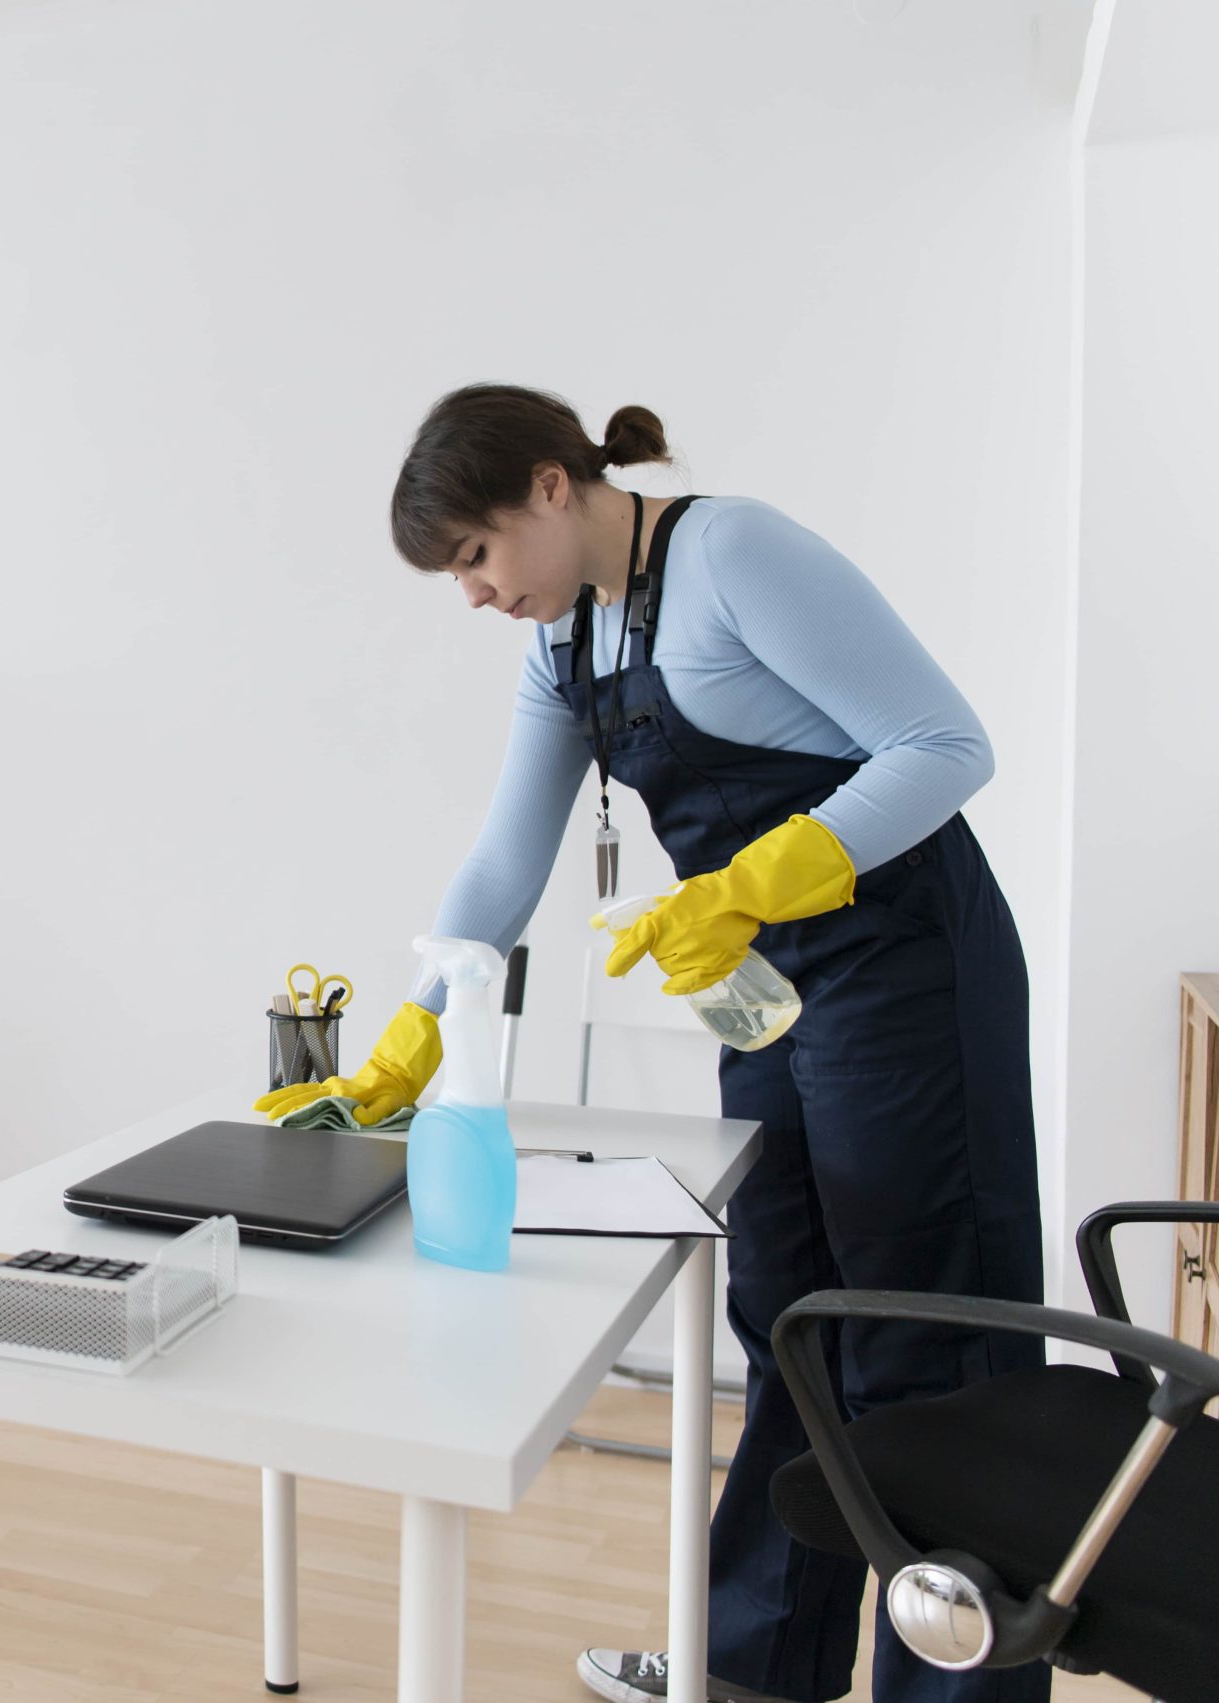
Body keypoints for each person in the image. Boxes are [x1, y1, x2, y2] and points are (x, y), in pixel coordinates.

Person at [259, 386, 1046, 1703]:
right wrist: (419, 1025)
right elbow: (507, 860)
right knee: (787, 1318)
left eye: (474, 554)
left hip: (907, 973)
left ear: (552, 490)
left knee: (924, 1339)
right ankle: (754, 1669)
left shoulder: (733, 555)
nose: (472, 593)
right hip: (771, 999)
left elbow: (946, 746)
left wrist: (750, 880)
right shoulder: (565, 646)